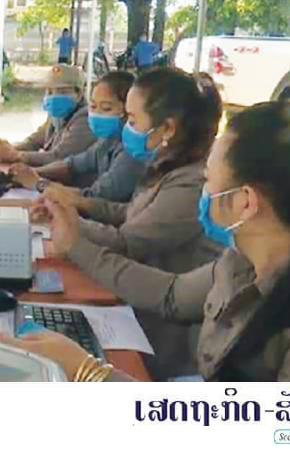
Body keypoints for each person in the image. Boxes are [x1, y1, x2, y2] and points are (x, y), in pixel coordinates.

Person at [3, 101, 290, 382]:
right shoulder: (244, 259)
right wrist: (75, 244)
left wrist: (90, 373)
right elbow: (171, 295)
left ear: (245, 202)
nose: (203, 189)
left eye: (209, 180)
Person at [36, 68, 226, 380]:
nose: (127, 128)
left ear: (167, 128)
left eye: (133, 120)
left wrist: (73, 234)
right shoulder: (166, 163)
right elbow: (131, 212)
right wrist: (73, 208)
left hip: (164, 339)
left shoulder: (192, 181)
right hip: (142, 307)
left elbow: (129, 243)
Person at [10, 71, 144, 204]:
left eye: (106, 108)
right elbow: (72, 164)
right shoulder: (109, 139)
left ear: (129, 111)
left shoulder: (133, 151)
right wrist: (30, 173)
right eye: (93, 106)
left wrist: (39, 183)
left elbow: (96, 196)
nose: (97, 114)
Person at [0, 64, 96, 166]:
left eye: (62, 92)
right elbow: (33, 142)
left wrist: (16, 155)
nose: (54, 97)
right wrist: (6, 149)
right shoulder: (56, 116)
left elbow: (58, 157)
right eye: (50, 92)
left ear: (79, 93)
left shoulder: (85, 119)